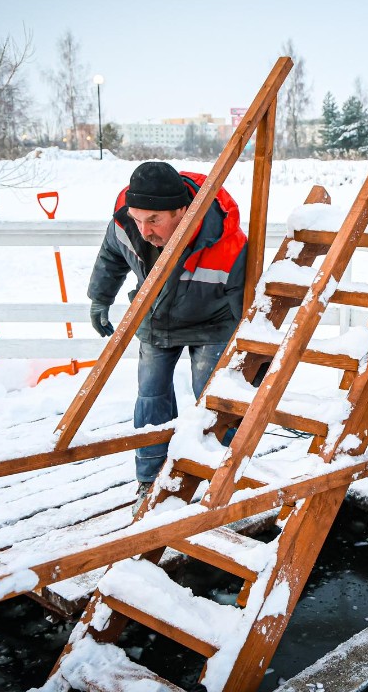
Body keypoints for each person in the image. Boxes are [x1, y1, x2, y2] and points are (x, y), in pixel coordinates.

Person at [87, 162, 247, 511]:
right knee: (151, 396)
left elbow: (244, 301)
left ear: (184, 211)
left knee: (215, 402)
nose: (143, 229)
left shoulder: (224, 238)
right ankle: (149, 478)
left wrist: (251, 354)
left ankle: (223, 478)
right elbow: (111, 256)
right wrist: (100, 299)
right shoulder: (126, 223)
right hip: (156, 317)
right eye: (137, 217)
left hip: (213, 322)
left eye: (155, 220)